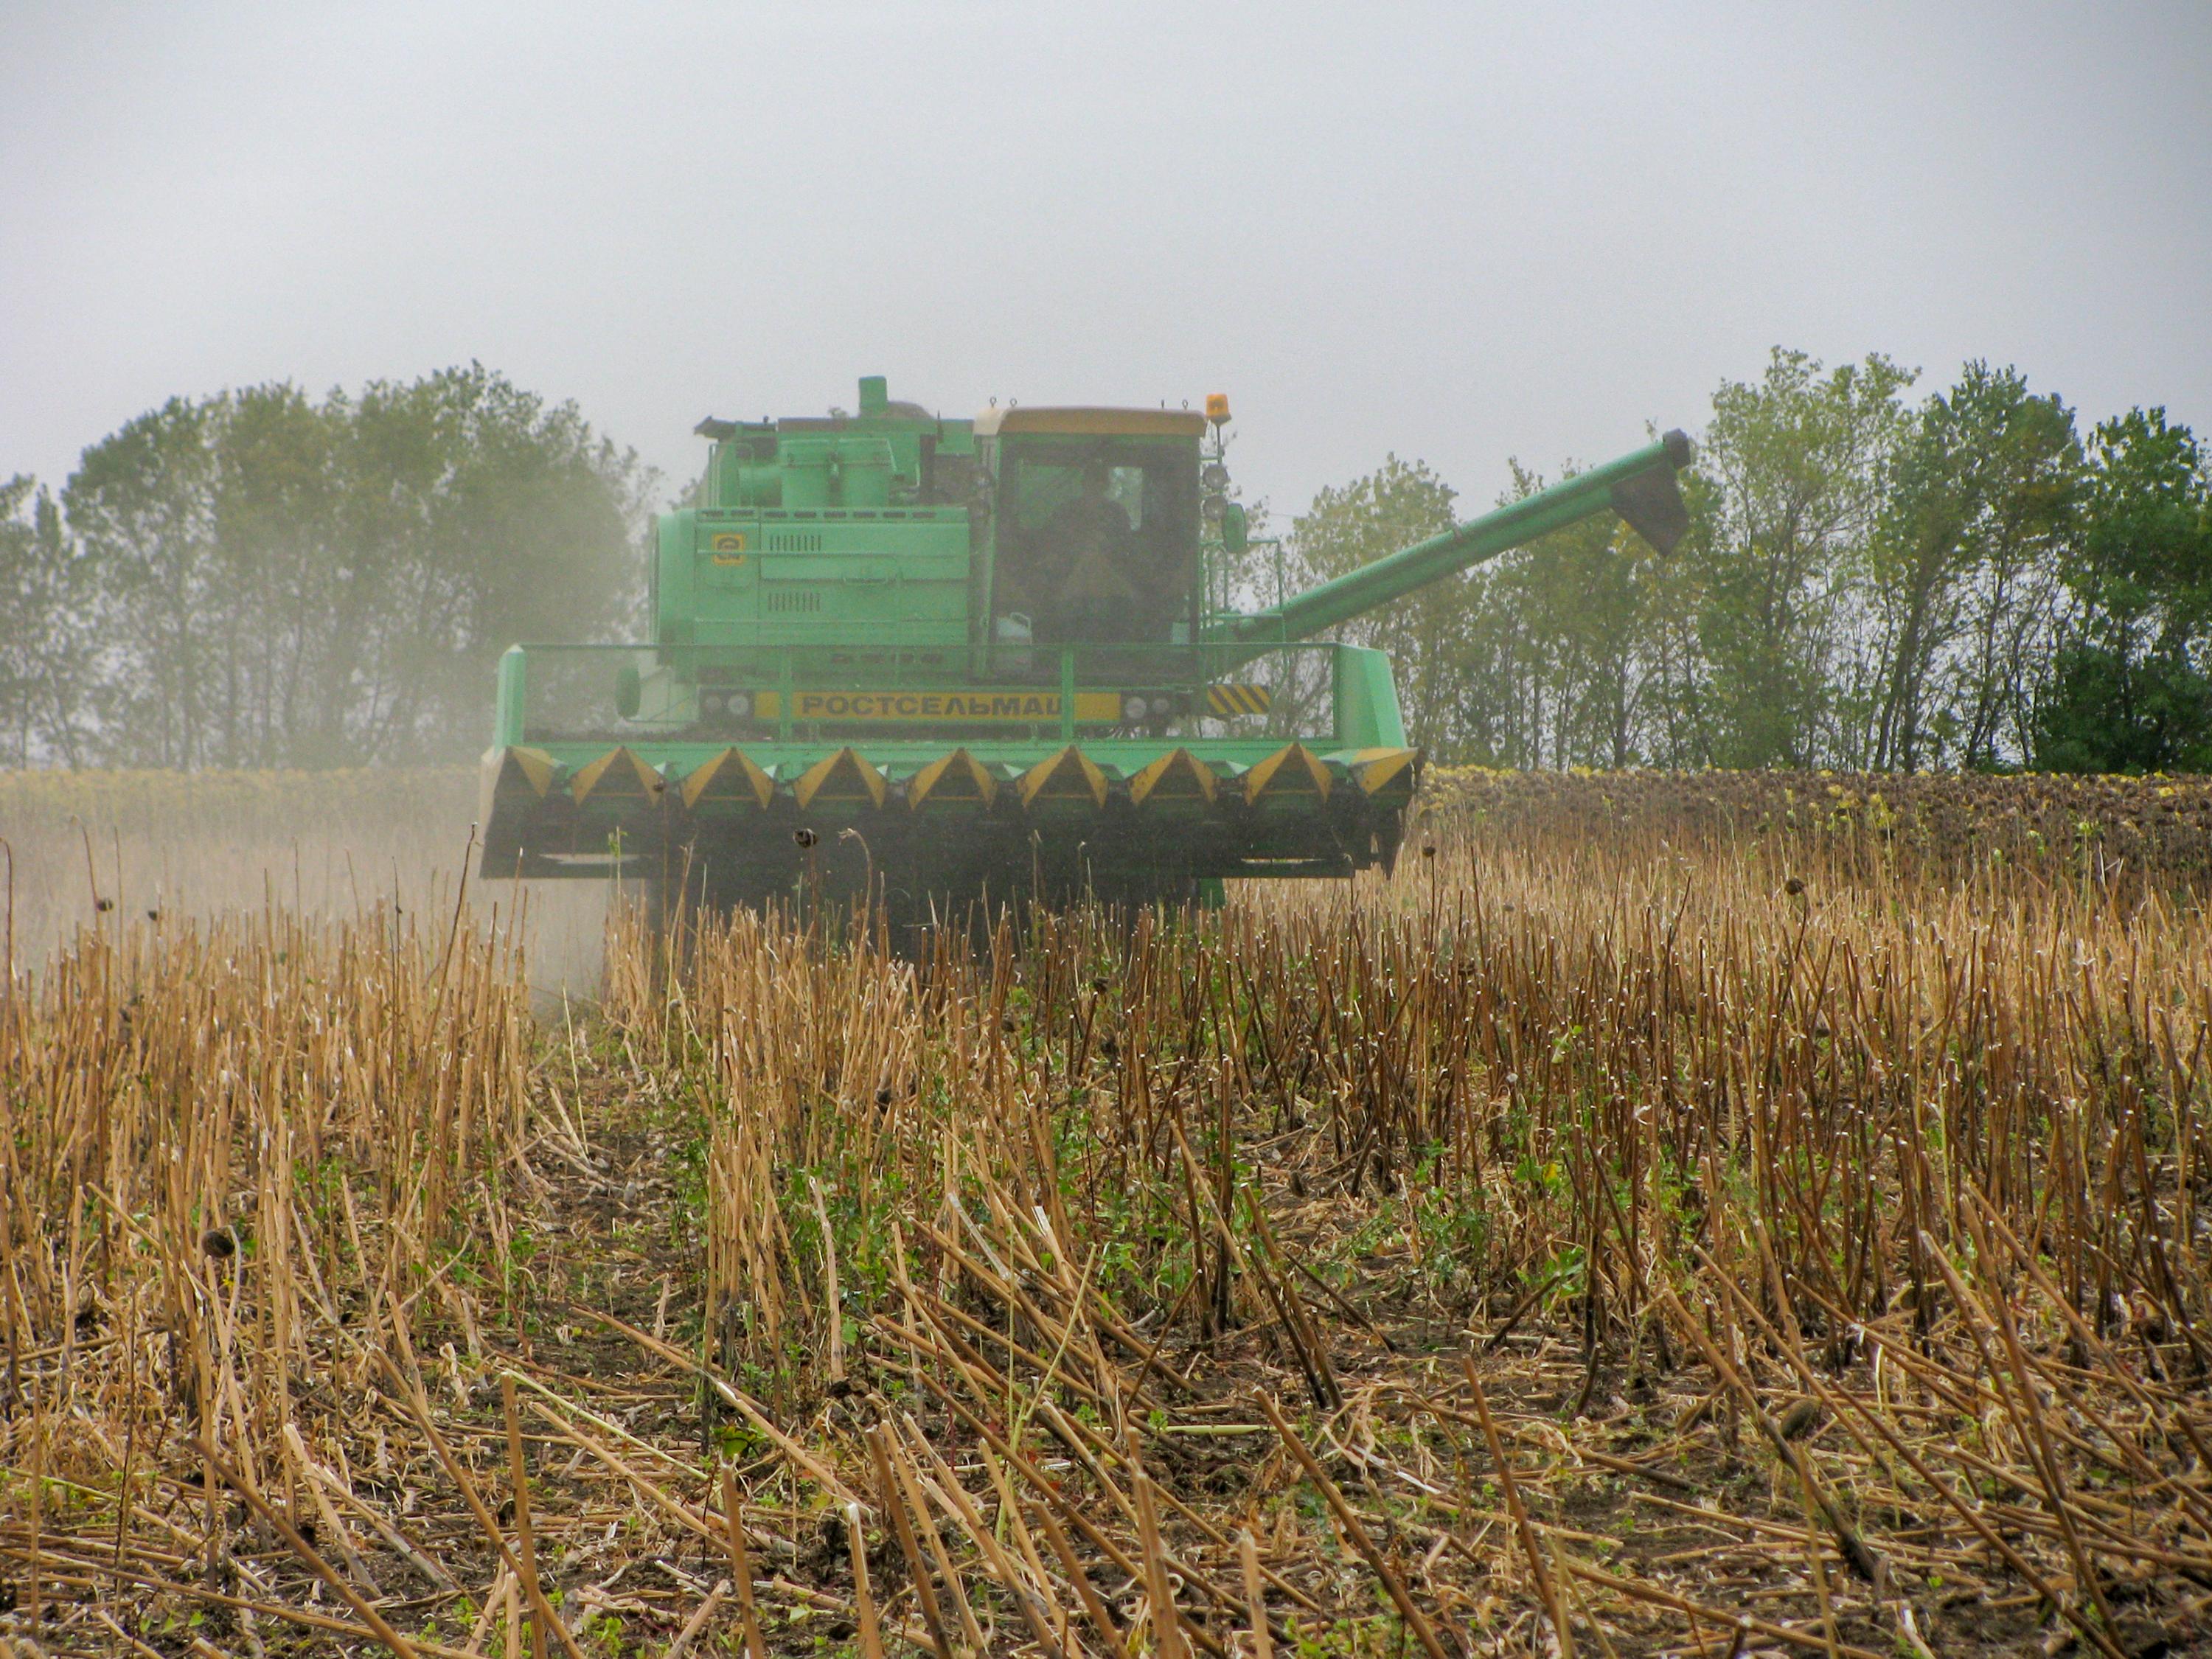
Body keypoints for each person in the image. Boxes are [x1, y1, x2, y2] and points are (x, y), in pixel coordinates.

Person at [1043, 457, 1137, 641]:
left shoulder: (1117, 515)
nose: (1095, 485)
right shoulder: (1064, 513)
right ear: (1084, 483)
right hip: (1064, 578)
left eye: (1099, 481)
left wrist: (1102, 548)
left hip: (1113, 583)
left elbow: (1127, 551)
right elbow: (1052, 547)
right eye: (1091, 480)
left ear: (1105, 485)